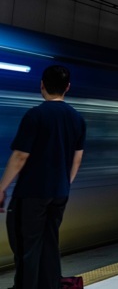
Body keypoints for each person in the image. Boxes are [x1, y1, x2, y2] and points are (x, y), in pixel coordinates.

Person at [0, 65, 86, 289]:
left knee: (27, 247)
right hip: (59, 193)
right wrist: (63, 185)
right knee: (49, 244)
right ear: (67, 87)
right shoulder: (77, 119)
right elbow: (76, 160)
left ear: (42, 84)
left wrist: (1, 188)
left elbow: (20, 156)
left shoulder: (35, 115)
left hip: (31, 193)